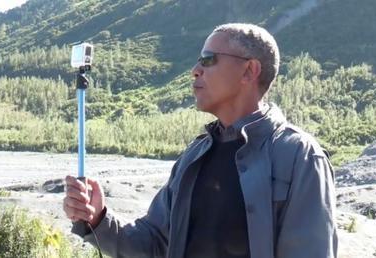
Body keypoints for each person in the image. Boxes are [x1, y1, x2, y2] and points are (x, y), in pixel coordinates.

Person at [63, 23, 338, 258]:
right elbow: (155, 243)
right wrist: (97, 219)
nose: (195, 70)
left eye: (208, 59)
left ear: (249, 71)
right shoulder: (195, 155)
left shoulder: (299, 156)